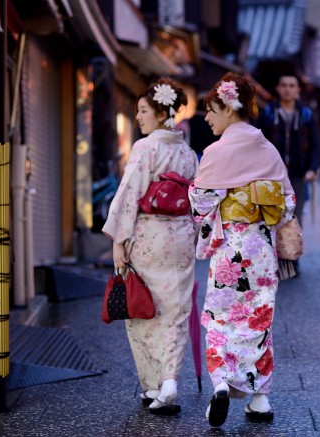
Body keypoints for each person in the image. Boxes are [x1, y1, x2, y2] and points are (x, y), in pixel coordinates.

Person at [189, 72, 296, 428]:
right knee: (257, 320)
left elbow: (200, 204)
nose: (206, 118)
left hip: (228, 251)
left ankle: (221, 384)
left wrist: (225, 200)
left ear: (229, 109)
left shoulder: (216, 153)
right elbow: (288, 204)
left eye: (211, 110)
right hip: (260, 249)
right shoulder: (268, 149)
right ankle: (260, 399)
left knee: (221, 319)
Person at [102, 79, 198, 415]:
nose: (138, 117)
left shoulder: (146, 147)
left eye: (143, 111)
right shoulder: (188, 153)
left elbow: (130, 196)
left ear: (161, 113)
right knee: (175, 310)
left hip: (149, 236)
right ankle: (170, 380)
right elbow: (196, 203)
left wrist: (119, 241)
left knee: (143, 309)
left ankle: (154, 385)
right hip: (182, 237)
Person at [256, 74, 320, 224]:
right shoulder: (268, 113)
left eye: (291, 86)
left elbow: (316, 144)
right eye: (284, 85)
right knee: (271, 218)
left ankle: (294, 248)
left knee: (295, 217)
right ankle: (274, 248)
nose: (287, 89)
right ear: (278, 89)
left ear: (298, 89)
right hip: (271, 175)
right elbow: (257, 142)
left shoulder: (306, 114)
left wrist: (312, 168)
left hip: (299, 173)